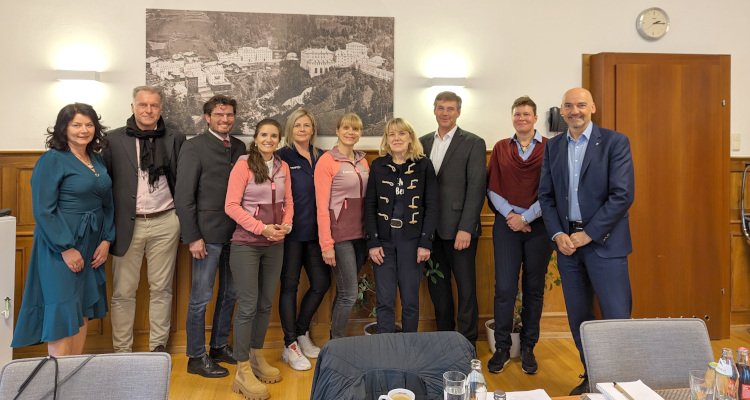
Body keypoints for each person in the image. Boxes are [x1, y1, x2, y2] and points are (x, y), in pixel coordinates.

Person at [538, 87, 634, 395]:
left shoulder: (615, 143)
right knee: (580, 318)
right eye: (568, 106)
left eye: (581, 104)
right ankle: (592, 376)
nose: (574, 111)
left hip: (605, 244)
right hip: (567, 247)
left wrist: (588, 233)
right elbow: (546, 196)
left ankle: (619, 383)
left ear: (592, 107)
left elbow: (622, 195)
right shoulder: (553, 147)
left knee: (616, 316)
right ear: (562, 111)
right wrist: (558, 234)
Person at [11, 103, 114, 356]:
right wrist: (66, 248)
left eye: (89, 124)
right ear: (63, 128)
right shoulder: (52, 160)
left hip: (92, 244)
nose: (84, 130)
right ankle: (57, 375)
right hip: (60, 246)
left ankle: (73, 373)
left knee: (81, 309)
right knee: (62, 311)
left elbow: (108, 203)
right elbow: (44, 210)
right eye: (76, 125)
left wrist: (106, 240)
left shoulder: (96, 159)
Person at [103, 86, 184, 353]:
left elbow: (181, 180)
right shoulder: (113, 140)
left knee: (162, 289)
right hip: (128, 224)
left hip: (166, 221)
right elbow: (104, 185)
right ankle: (122, 352)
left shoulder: (175, 137)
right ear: (133, 107)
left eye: (154, 105)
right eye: (143, 105)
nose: (148, 110)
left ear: (161, 108)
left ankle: (157, 349)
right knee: (123, 292)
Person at [175, 95, 245, 378]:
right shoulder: (194, 147)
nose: (225, 119)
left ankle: (218, 346)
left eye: (229, 115)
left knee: (231, 293)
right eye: (219, 115)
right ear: (207, 117)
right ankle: (196, 356)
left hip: (236, 233)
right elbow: (184, 196)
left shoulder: (239, 147)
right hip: (206, 236)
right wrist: (192, 236)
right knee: (200, 298)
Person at [225, 118, 293, 399]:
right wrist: (261, 228)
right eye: (264, 134)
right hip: (247, 245)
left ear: (279, 140)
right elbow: (231, 205)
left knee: (265, 304)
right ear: (255, 138)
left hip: (275, 244)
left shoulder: (282, 167)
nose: (269, 139)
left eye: (274, 135)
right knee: (248, 306)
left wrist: (286, 225)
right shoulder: (243, 165)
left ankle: (255, 356)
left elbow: (288, 202)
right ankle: (242, 369)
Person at [486, 96, 553, 375]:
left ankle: (528, 347)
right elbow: (492, 187)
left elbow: (552, 189)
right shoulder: (501, 148)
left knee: (533, 290)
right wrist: (512, 217)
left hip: (540, 227)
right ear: (512, 117)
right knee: (504, 288)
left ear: (535, 118)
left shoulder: (551, 148)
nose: (522, 118)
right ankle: (502, 347)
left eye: (526, 114)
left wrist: (526, 218)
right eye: (517, 114)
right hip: (506, 226)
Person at [420, 91, 486, 345]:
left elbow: (477, 188)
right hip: (431, 232)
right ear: (434, 110)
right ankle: (445, 340)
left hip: (460, 231)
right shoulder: (422, 142)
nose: (445, 113)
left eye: (450, 109)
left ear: (458, 111)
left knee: (466, 288)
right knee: (438, 288)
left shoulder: (473, 142)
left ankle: (467, 344)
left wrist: (466, 228)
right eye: (440, 108)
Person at [364, 117, 438, 333]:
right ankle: (387, 347)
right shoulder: (378, 166)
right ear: (387, 139)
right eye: (391, 134)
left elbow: (432, 205)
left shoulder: (424, 165)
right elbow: (370, 205)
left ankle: (409, 347)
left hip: (412, 242)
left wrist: (425, 242)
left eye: (401, 133)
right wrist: (373, 242)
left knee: (410, 301)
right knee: (385, 301)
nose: (396, 138)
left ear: (410, 137)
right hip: (383, 242)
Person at [277, 108, 328, 371]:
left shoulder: (322, 157)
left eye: (306, 125)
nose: (302, 129)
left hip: (317, 233)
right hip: (291, 234)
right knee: (289, 286)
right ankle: (289, 345)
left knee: (321, 283)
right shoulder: (281, 156)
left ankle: (301, 332)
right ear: (290, 129)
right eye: (297, 125)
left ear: (313, 129)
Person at [314, 112, 369, 339]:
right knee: (349, 293)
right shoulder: (327, 161)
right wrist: (326, 244)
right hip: (340, 237)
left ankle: (334, 336)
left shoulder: (363, 161)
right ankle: (336, 343)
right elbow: (322, 207)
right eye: (346, 128)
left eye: (355, 129)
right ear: (337, 131)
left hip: (361, 236)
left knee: (345, 291)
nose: (350, 132)